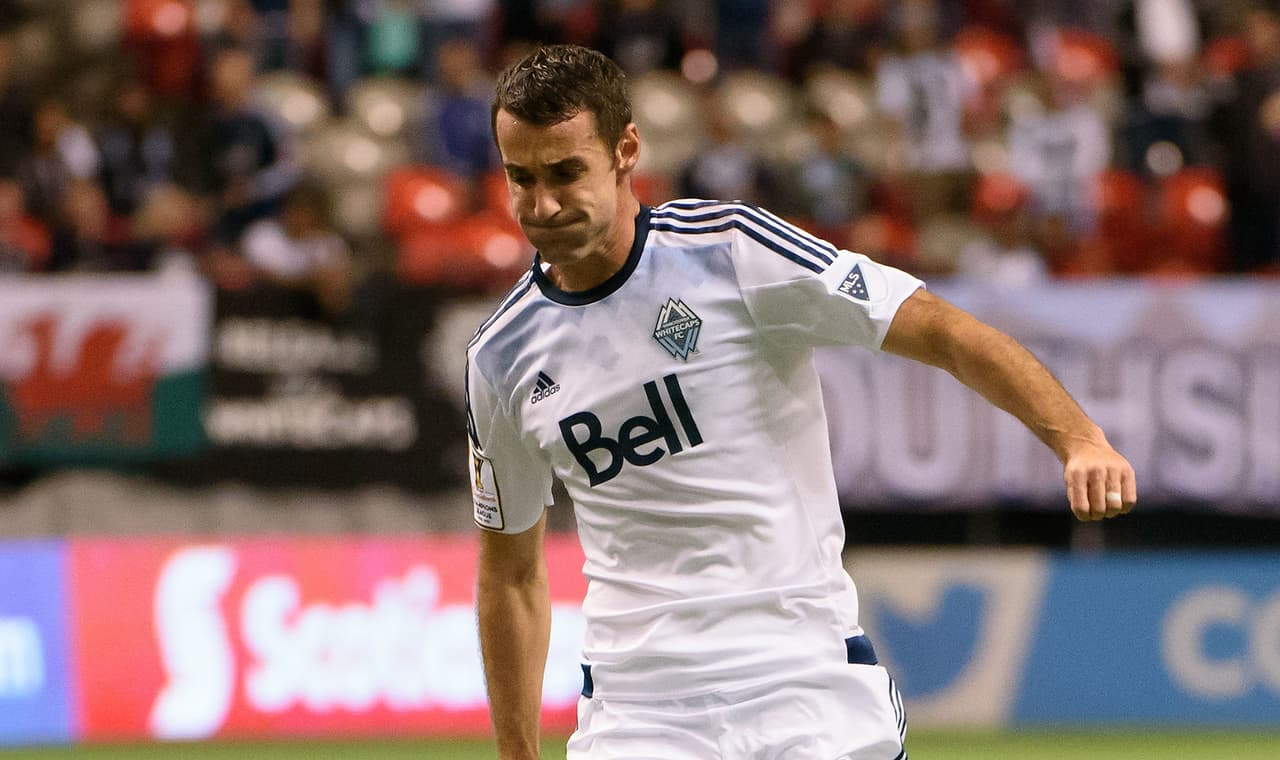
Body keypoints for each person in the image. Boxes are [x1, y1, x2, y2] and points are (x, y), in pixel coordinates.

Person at [468, 44, 1137, 760]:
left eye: (566, 173)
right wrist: (518, 752)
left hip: (804, 684)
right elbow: (511, 573)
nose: (542, 205)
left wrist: (1079, 437)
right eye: (521, 178)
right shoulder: (501, 356)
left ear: (626, 149)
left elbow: (942, 330)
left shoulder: (731, 251)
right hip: (639, 714)